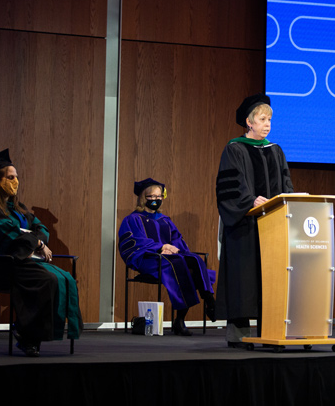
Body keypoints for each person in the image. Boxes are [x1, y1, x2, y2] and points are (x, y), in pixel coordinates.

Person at [0, 149, 82, 357]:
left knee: (63, 278)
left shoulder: (18, 208)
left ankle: (29, 336)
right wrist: (36, 242)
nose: (16, 181)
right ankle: (27, 334)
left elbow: (41, 228)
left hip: (20, 262)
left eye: (17, 177)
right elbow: (7, 237)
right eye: (11, 177)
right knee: (46, 278)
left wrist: (37, 241)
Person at [215, 94, 294, 347]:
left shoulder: (276, 150)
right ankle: (239, 336)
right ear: (249, 122)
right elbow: (229, 187)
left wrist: (289, 200)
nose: (268, 124)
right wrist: (249, 201)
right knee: (243, 280)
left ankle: (270, 331)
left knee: (271, 279)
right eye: (262, 119)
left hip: (273, 226)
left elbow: (286, 184)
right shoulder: (234, 149)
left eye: (269, 119)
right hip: (245, 227)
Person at [118, 178, 217, 335]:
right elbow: (135, 241)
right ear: (143, 197)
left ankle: (209, 302)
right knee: (178, 264)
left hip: (170, 258)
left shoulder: (166, 220)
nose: (156, 200)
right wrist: (161, 247)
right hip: (148, 259)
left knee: (194, 260)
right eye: (152, 197)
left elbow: (177, 240)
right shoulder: (133, 219)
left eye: (159, 197)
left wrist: (175, 249)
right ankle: (181, 319)